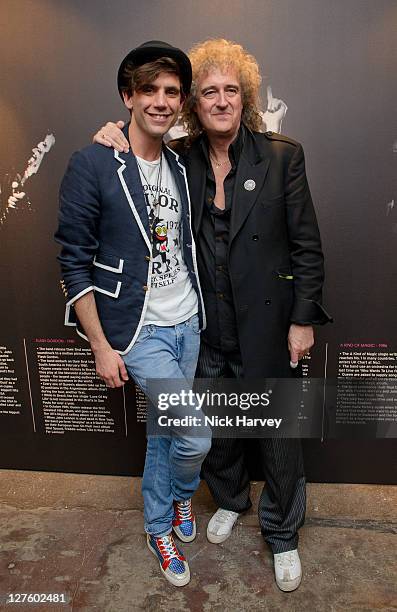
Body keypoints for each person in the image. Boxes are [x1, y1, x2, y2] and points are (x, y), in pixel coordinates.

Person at [94, 38, 332, 592]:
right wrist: (108, 135)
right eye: (208, 92)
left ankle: (283, 532)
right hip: (204, 325)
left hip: (269, 325)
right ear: (192, 105)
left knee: (277, 435)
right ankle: (228, 500)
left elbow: (307, 247)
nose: (220, 100)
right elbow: (135, 158)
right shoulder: (181, 160)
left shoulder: (281, 156)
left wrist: (303, 321)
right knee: (220, 429)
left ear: (244, 98)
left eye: (231, 90)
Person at [55, 40, 211, 588]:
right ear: (128, 96)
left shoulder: (181, 163)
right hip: (137, 330)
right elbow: (73, 262)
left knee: (166, 433)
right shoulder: (95, 162)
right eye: (150, 90)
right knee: (194, 435)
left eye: (172, 92)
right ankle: (168, 516)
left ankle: (164, 513)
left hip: (188, 321)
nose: (162, 102)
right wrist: (100, 344)